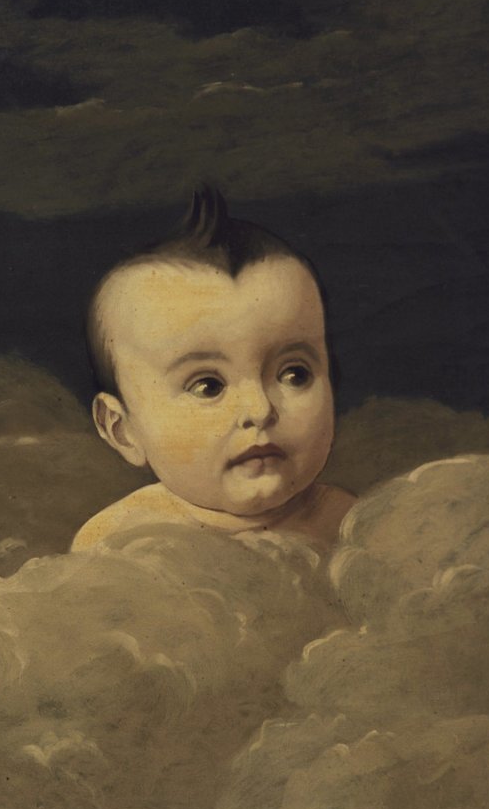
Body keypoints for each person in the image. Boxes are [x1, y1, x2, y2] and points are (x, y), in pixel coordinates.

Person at [72, 185, 355, 551]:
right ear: (123, 430)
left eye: (294, 374)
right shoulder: (118, 542)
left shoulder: (351, 527)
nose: (259, 410)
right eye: (208, 386)